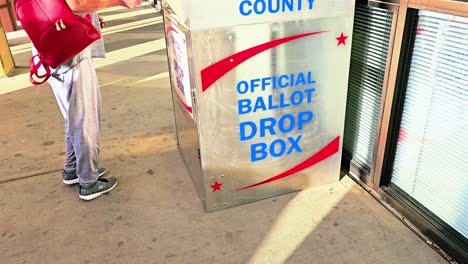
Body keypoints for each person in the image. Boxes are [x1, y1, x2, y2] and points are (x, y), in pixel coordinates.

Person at [35, 0, 142, 200]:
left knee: (72, 115)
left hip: (50, 44)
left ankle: (73, 169)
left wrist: (89, 16)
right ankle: (88, 182)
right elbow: (76, 3)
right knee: (85, 119)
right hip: (70, 51)